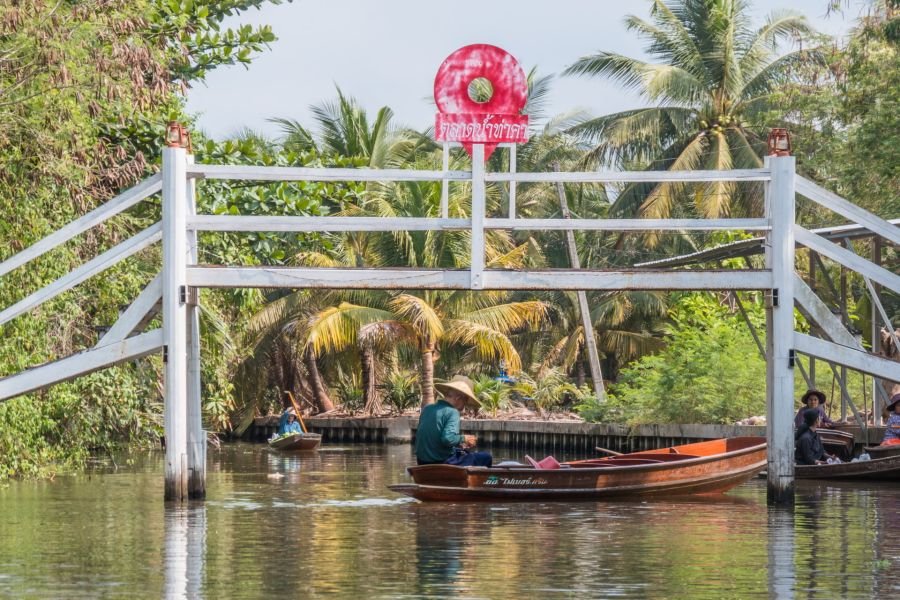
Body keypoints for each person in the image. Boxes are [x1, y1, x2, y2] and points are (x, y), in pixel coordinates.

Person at [415, 375, 492, 467]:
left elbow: (432, 437)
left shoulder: (427, 409)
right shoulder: (452, 412)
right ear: (458, 398)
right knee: (486, 457)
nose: (465, 405)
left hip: (422, 462)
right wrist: (464, 438)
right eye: (465, 401)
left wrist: (458, 443)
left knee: (461, 451)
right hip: (442, 462)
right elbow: (447, 439)